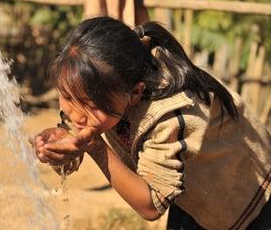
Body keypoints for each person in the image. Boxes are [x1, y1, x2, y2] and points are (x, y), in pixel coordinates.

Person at [31, 16, 271, 230]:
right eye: (68, 96)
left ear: (136, 93)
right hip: (191, 189)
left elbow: (151, 206)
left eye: (92, 106)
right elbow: (75, 130)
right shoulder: (110, 87)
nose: (77, 115)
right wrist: (61, 142)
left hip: (246, 194)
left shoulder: (170, 114)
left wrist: (95, 147)